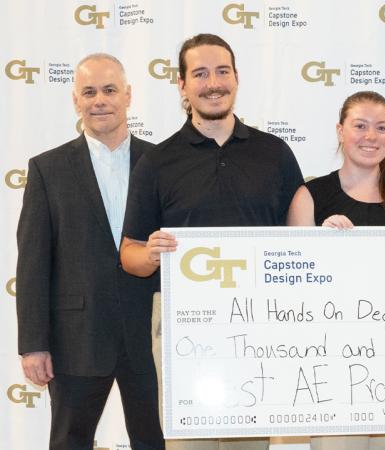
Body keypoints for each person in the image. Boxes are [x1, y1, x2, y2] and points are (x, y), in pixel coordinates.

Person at [119, 34, 303, 450]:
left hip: (260, 325)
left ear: (236, 78)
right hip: (185, 327)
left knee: (250, 444)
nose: (213, 83)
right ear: (182, 85)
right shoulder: (157, 162)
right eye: (200, 74)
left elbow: (300, 242)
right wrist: (148, 254)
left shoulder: (275, 153)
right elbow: (129, 255)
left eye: (222, 71)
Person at [16, 53, 164, 450]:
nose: (100, 100)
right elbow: (32, 263)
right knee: (69, 442)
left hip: (149, 334)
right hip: (75, 336)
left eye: (110, 90)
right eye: (89, 91)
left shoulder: (163, 163)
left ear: (129, 96)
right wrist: (33, 342)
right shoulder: (48, 169)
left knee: (156, 442)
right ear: (75, 101)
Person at [287, 90, 385, 450]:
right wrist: (320, 246)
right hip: (331, 366)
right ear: (340, 130)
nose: (371, 136)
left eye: (381, 127)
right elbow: (291, 288)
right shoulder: (312, 195)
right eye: (360, 126)